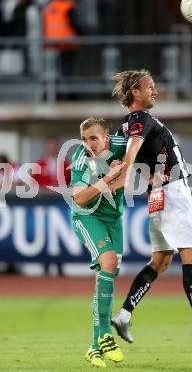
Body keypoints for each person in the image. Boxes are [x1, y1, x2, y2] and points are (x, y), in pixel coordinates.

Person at [109, 69, 192, 344]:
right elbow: (132, 149)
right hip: (174, 193)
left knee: (161, 260)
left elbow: (118, 155)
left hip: (158, 194)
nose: (155, 90)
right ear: (135, 94)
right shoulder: (140, 119)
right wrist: (128, 176)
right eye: (150, 87)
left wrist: (142, 173)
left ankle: (125, 314)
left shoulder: (125, 125)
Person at [70, 117, 127, 367]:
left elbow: (141, 161)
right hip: (87, 218)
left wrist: (121, 176)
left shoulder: (121, 145)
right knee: (109, 261)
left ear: (106, 137)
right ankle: (105, 333)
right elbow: (80, 199)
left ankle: (94, 347)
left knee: (108, 273)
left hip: (113, 219)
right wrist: (109, 178)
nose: (89, 144)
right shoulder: (81, 160)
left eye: (93, 138)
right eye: (84, 139)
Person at [43, 0, 82, 77]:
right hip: (66, 41)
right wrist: (82, 35)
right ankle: (67, 88)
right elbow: (74, 23)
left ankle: (55, 88)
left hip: (50, 42)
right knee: (67, 67)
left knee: (53, 68)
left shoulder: (50, 5)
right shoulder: (68, 6)